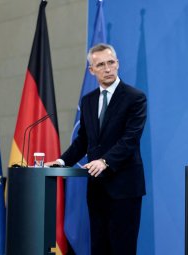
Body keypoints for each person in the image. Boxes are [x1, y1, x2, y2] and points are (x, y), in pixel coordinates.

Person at [47, 43, 147, 255]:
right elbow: (83, 140)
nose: (107, 68)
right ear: (91, 70)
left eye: (111, 62)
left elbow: (130, 139)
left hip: (124, 188)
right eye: (100, 65)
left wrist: (105, 161)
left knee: (122, 249)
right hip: (97, 189)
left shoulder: (135, 97)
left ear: (118, 64)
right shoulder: (89, 100)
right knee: (99, 248)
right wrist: (62, 161)